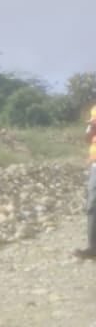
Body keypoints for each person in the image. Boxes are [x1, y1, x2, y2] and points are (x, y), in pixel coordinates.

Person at [77, 100, 96, 260]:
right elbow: (87, 138)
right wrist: (92, 127)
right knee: (93, 204)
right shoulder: (94, 110)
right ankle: (93, 248)